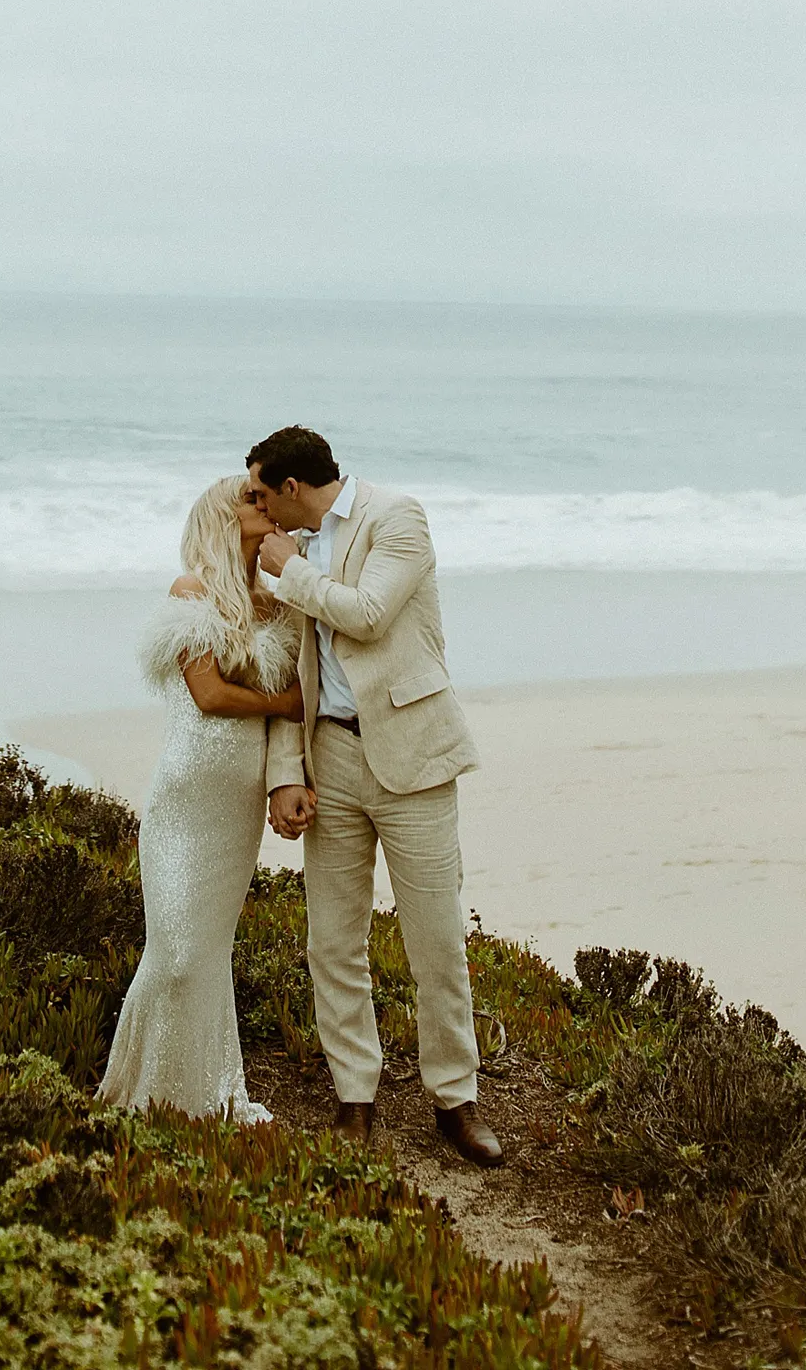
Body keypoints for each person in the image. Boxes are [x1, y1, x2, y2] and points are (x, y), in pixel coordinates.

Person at [248, 425, 502, 1168]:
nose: (261, 514)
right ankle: (354, 1096)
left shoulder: (397, 517)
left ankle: (456, 1102)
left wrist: (291, 571)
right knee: (332, 941)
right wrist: (285, 771)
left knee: (436, 943)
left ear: (295, 489)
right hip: (331, 755)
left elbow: (366, 615)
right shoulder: (288, 558)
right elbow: (289, 677)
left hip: (414, 759)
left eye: (266, 496)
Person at [96, 475, 304, 1123]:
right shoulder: (190, 593)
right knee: (176, 954)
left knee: (210, 952)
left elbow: (291, 715)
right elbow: (210, 697)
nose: (264, 506)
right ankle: (144, 1091)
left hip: (237, 810)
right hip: (185, 801)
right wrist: (283, 701)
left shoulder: (278, 608)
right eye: (250, 499)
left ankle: (208, 1094)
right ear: (221, 516)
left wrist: (286, 776)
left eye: (267, 498)